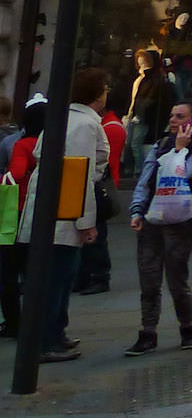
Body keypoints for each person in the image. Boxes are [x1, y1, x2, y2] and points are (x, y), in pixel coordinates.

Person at [19, 72, 110, 361]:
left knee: (58, 276)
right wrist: (85, 222)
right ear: (97, 94)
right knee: (57, 278)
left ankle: (55, 332)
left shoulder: (64, 119)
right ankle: (47, 341)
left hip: (49, 210)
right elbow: (78, 176)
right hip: (63, 214)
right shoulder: (84, 125)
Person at [126, 99, 192, 355]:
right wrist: (137, 209)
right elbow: (146, 179)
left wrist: (180, 149)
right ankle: (147, 331)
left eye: (180, 116)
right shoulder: (159, 145)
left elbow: (177, 175)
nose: (173, 120)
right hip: (153, 217)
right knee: (149, 277)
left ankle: (187, 327)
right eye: (172, 115)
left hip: (182, 221)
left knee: (177, 277)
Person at [74, 83, 125, 296]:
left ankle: (98, 276)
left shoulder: (108, 126)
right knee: (91, 234)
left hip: (98, 184)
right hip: (95, 182)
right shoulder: (102, 124)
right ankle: (88, 275)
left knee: (96, 234)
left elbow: (105, 160)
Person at [1, 95, 44, 341]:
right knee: (35, 270)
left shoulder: (23, 144)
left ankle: (14, 322)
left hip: (15, 211)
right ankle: (37, 321)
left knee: (8, 271)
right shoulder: (56, 142)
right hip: (44, 213)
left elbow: (15, 174)